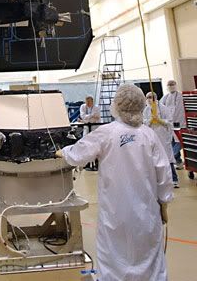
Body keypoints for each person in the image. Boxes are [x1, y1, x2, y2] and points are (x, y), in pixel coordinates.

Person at [56, 84, 173, 281]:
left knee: (114, 256)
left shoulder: (107, 132)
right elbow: (164, 173)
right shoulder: (148, 134)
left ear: (117, 105)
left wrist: (62, 152)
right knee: (148, 254)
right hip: (147, 211)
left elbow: (78, 154)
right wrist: (164, 202)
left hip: (115, 212)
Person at [143, 92, 179, 188]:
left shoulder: (163, 108)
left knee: (167, 158)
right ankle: (158, 181)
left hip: (163, 137)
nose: (149, 99)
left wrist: (160, 120)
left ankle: (174, 179)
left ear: (155, 98)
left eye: (151, 97)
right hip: (151, 137)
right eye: (147, 98)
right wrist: (150, 120)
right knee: (154, 159)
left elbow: (170, 122)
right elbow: (143, 123)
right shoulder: (146, 110)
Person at [161, 79, 186, 168]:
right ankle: (178, 162)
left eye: (172, 84)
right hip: (169, 124)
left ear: (176, 85)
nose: (171, 86)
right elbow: (161, 107)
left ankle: (170, 157)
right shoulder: (166, 97)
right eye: (169, 84)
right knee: (172, 141)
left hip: (180, 123)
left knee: (180, 141)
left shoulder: (181, 96)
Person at [79, 95, 101, 170]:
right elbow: (83, 116)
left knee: (95, 145)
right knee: (85, 144)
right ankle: (87, 163)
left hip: (94, 127)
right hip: (86, 127)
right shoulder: (83, 106)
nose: (88, 103)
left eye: (89, 102)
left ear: (92, 101)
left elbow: (96, 118)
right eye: (87, 102)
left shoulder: (97, 107)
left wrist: (86, 118)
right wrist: (91, 116)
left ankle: (96, 163)